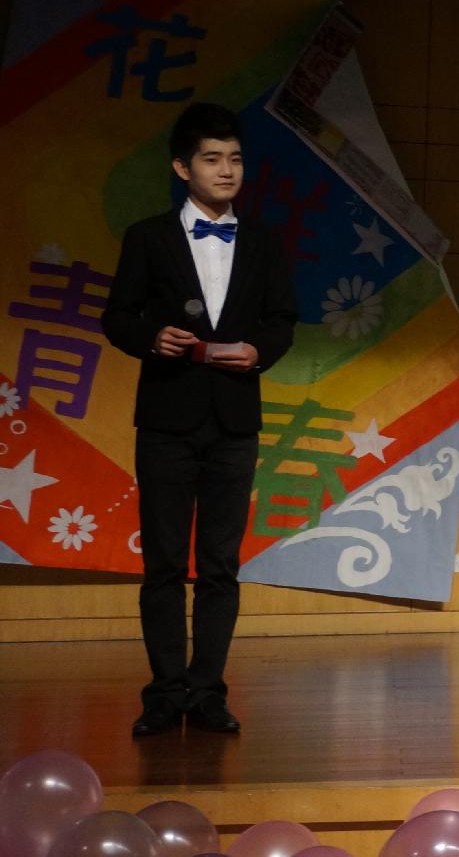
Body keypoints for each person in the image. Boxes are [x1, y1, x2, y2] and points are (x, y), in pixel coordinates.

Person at [103, 101, 298, 736]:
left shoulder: (263, 241)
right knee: (164, 563)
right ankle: (164, 692)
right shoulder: (148, 236)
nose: (227, 170)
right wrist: (150, 338)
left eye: (235, 159)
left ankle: (208, 690)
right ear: (182, 168)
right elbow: (117, 316)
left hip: (235, 421)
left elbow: (282, 320)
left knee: (220, 565)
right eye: (212, 159)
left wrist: (259, 351)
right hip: (167, 418)